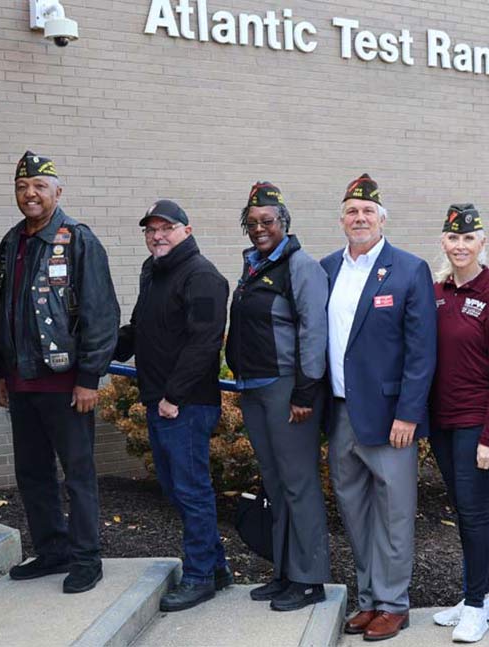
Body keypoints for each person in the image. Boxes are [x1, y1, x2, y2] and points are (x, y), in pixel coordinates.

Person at [0, 152, 119, 594]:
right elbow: (1, 310)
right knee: (33, 473)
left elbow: (102, 313)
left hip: (67, 385)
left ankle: (87, 559)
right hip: (21, 383)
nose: (31, 193)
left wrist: (89, 378)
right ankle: (51, 551)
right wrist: (0, 372)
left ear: (57, 192)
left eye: (40, 186)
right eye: (23, 186)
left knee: (77, 475)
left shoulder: (78, 240)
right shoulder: (11, 243)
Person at [321, 173, 436, 642]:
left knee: (393, 513)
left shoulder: (409, 269)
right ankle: (368, 599)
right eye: (352, 211)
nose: (360, 217)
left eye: (368, 211)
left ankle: (393, 603)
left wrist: (408, 413)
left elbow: (421, 350)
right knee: (354, 510)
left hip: (391, 418)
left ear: (382, 219)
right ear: (342, 219)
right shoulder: (326, 268)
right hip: (341, 411)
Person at [114, 199, 232, 612]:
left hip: (185, 405)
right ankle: (215, 566)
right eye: (151, 230)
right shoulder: (154, 271)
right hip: (160, 401)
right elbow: (140, 328)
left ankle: (199, 576)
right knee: (176, 488)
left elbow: (205, 342)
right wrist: (94, 351)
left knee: (191, 490)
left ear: (186, 229)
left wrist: (173, 396)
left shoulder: (202, 277)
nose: (158, 236)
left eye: (166, 228)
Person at [225, 182, 331, 612]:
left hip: (288, 389)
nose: (258, 228)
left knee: (298, 483)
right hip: (254, 388)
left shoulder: (300, 266)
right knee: (275, 484)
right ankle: (285, 571)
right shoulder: (252, 266)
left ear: (284, 223)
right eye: (251, 223)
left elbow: (313, 330)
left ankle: (310, 580)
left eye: (267, 221)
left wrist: (306, 390)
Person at [428, 204, 489, 643]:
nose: (460, 245)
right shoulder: (438, 290)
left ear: (482, 242)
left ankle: (479, 605)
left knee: (476, 512)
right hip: (441, 422)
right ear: (443, 241)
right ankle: (475, 596)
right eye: (453, 238)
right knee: (462, 512)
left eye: (468, 238)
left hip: (475, 422)